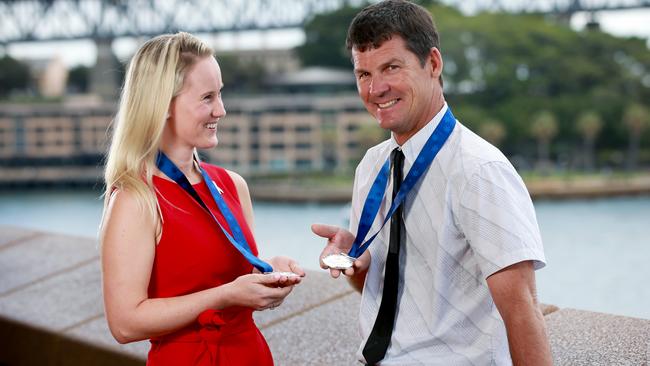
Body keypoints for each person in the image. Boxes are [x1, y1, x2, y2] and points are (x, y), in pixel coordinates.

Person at [312, 1, 552, 365]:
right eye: (363, 74)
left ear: (433, 64)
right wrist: (358, 266)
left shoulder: (479, 169)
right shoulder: (371, 165)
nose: (376, 88)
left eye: (391, 67)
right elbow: (386, 297)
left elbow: (523, 312)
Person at [100, 32, 304, 366]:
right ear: (164, 104)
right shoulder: (134, 199)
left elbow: (233, 278)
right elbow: (124, 324)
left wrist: (271, 273)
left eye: (220, 94)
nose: (221, 110)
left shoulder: (233, 185)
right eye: (207, 97)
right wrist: (225, 296)